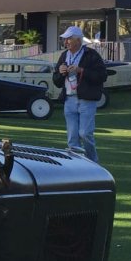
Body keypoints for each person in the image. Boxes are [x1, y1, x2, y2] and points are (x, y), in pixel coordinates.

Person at [52, 25, 108, 162]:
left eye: (68, 39)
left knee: (85, 133)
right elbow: (56, 81)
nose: (65, 43)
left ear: (78, 40)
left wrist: (81, 70)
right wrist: (61, 72)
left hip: (86, 100)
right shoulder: (64, 55)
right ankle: (76, 166)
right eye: (65, 40)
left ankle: (92, 163)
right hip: (69, 99)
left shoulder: (91, 54)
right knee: (72, 137)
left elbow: (102, 76)